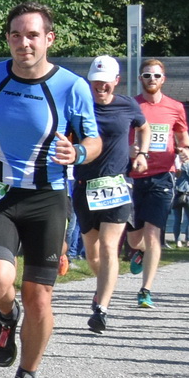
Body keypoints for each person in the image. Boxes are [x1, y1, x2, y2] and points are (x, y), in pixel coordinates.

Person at [0, 2, 100, 378]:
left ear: (49, 39)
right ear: (8, 39)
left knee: (40, 297)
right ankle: (5, 315)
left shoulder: (72, 87)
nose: (24, 43)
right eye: (16, 35)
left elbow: (94, 141)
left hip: (47, 199)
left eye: (32, 35)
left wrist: (79, 153)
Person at [72, 56, 146, 334]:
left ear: (116, 81)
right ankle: (102, 287)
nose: (100, 87)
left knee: (108, 246)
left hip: (116, 186)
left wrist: (142, 153)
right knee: (93, 253)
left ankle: (101, 308)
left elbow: (144, 126)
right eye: (96, 82)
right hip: (84, 185)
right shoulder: (81, 106)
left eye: (106, 82)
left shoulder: (128, 105)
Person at [127, 59, 189, 308]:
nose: (151, 79)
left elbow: (183, 137)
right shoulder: (132, 105)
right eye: (147, 75)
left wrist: (185, 150)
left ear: (163, 79)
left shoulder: (175, 107)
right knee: (134, 239)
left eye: (156, 75)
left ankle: (146, 290)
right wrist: (129, 149)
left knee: (153, 233)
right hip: (133, 177)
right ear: (141, 79)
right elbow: (121, 134)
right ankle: (140, 252)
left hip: (163, 176)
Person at [169, 151, 189, 246]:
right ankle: (188, 240)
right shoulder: (188, 164)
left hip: (177, 194)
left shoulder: (175, 165)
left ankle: (178, 241)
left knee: (178, 219)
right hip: (187, 193)